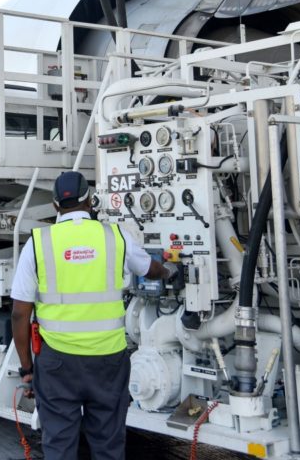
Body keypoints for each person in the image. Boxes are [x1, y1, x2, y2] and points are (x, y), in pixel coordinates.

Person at [11, 171, 177, 460]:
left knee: (59, 445)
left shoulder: (38, 243)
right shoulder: (114, 236)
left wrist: (27, 369)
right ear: (90, 202)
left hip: (58, 363)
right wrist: (167, 270)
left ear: (55, 206)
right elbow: (148, 268)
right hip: (108, 360)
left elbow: (19, 314)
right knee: (108, 444)